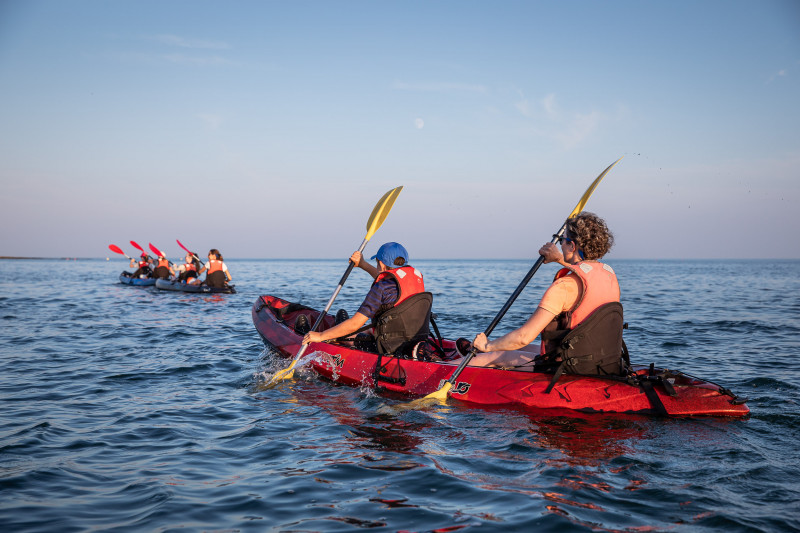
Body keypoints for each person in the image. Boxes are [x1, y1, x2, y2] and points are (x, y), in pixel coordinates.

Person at [463, 212, 624, 375]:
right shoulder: (609, 276)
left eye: (562, 241)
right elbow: (583, 270)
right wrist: (559, 259)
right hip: (600, 362)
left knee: (491, 356)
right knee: (529, 348)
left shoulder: (564, 286)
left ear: (572, 246)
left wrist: (487, 346)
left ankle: (442, 369)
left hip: (566, 368)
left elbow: (523, 337)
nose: (560, 245)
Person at [301, 242, 432, 357]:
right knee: (369, 329)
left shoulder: (381, 288)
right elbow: (388, 282)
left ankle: (311, 334)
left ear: (380, 263)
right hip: (412, 338)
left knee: (348, 336)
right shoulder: (415, 281)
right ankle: (339, 325)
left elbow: (355, 324)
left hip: (388, 346)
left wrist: (320, 336)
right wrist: (363, 264)